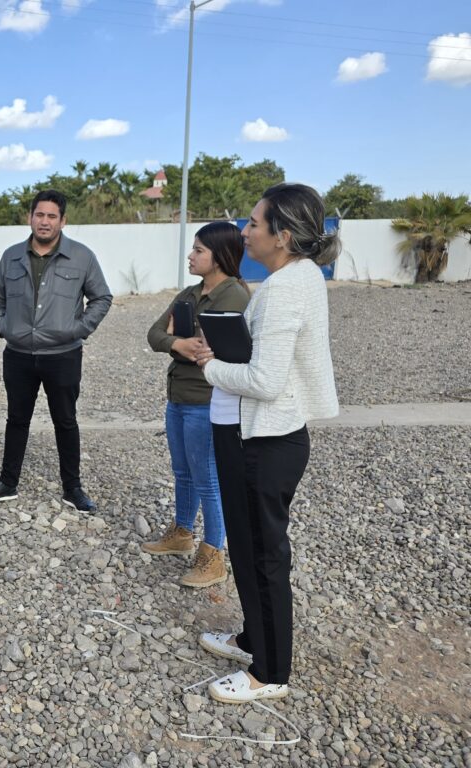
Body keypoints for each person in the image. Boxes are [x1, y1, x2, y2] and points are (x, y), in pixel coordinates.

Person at [195, 183, 340, 704]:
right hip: (263, 437)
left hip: (268, 441)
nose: (244, 231)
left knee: (264, 556)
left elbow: (266, 382)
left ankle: (271, 673)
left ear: (281, 236)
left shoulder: (283, 289)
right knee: (254, 548)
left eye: (253, 223)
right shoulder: (298, 277)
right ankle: (254, 640)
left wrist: (209, 365)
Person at [0, 189, 112, 512]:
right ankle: (7, 483)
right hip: (19, 354)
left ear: (63, 221)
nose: (45, 222)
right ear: (30, 217)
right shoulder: (11, 256)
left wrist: (78, 329)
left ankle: (72, 488)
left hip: (63, 355)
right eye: (40, 215)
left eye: (52, 216)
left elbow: (102, 298)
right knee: (16, 419)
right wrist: (2, 326)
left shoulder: (82, 257)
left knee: (65, 420)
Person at [144, 222, 250, 587]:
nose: (190, 256)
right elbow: (155, 333)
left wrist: (183, 340)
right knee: (183, 472)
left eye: (199, 250)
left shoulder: (233, 295)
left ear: (219, 256)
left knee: (208, 480)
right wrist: (177, 342)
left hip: (206, 401)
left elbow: (210, 348)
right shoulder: (189, 293)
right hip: (178, 397)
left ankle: (213, 555)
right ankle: (182, 534)